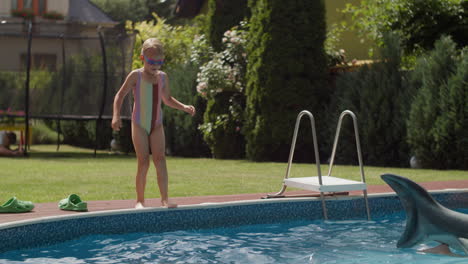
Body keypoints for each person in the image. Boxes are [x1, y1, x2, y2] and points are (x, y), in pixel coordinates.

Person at [112, 38, 195, 209]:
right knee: (143, 161)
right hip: (139, 124)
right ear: (143, 58)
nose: (155, 65)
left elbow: (167, 99)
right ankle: (140, 201)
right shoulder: (136, 76)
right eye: (151, 61)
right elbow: (119, 96)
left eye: (159, 62)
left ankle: (164, 199)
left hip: (156, 125)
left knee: (160, 159)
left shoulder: (163, 77)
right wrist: (116, 116)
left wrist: (183, 107)